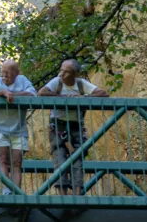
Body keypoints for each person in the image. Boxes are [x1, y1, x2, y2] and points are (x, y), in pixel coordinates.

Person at [37, 59, 109, 195]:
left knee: (78, 159)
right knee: (59, 158)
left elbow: (103, 94)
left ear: (75, 74)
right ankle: (63, 196)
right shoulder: (57, 81)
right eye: (61, 69)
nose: (62, 74)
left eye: (66, 72)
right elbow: (42, 92)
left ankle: (77, 194)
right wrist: (62, 97)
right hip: (58, 126)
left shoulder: (81, 84)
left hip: (76, 126)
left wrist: (82, 97)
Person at [0, 59, 36, 194]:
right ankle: (7, 192)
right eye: (3, 72)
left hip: (18, 128)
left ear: (16, 73)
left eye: (8, 73)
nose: (4, 76)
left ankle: (16, 193)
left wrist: (14, 95)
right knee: (2, 160)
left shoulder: (22, 80)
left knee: (17, 162)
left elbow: (32, 94)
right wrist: (2, 93)